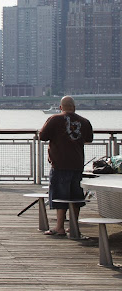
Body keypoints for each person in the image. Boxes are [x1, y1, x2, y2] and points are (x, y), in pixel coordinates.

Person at [39, 96, 93, 236]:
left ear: (60, 107)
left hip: (60, 163)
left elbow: (42, 136)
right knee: (76, 196)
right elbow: (89, 139)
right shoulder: (84, 121)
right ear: (74, 107)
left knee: (60, 195)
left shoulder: (54, 119)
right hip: (77, 163)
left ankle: (59, 227)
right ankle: (74, 226)